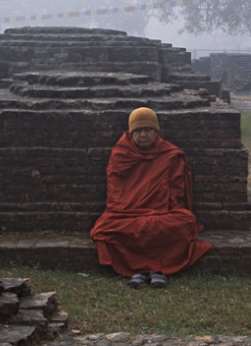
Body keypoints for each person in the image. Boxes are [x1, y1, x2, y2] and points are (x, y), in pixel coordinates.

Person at [90, 107, 212, 289]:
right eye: (138, 131)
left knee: (186, 220)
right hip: (126, 213)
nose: (143, 135)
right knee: (104, 228)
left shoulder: (169, 155)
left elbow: (176, 193)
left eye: (148, 130)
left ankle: (146, 270)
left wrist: (162, 210)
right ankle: (150, 270)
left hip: (161, 212)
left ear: (156, 132)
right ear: (131, 133)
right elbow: (116, 194)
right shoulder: (121, 154)